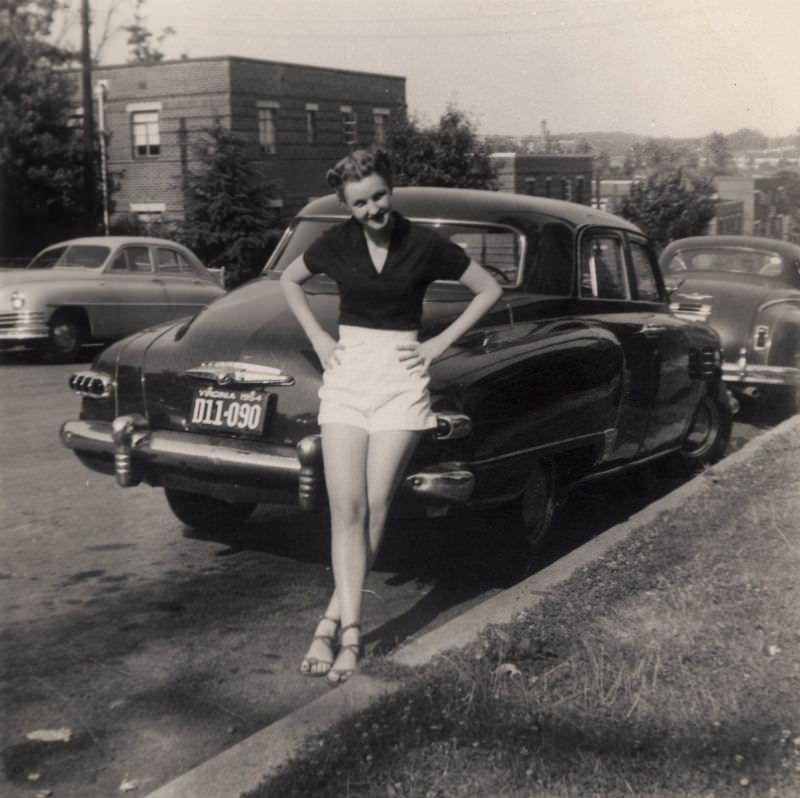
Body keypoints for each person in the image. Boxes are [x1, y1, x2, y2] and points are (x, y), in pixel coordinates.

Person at [280, 148, 502, 685]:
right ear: (345, 205)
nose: (373, 209)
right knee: (346, 507)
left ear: (391, 190)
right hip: (349, 377)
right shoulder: (333, 243)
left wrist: (437, 346)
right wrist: (318, 336)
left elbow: (489, 288)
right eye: (360, 202)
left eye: (379, 196)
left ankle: (339, 629)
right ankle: (346, 627)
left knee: (377, 505)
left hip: (401, 380)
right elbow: (289, 280)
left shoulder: (423, 243)